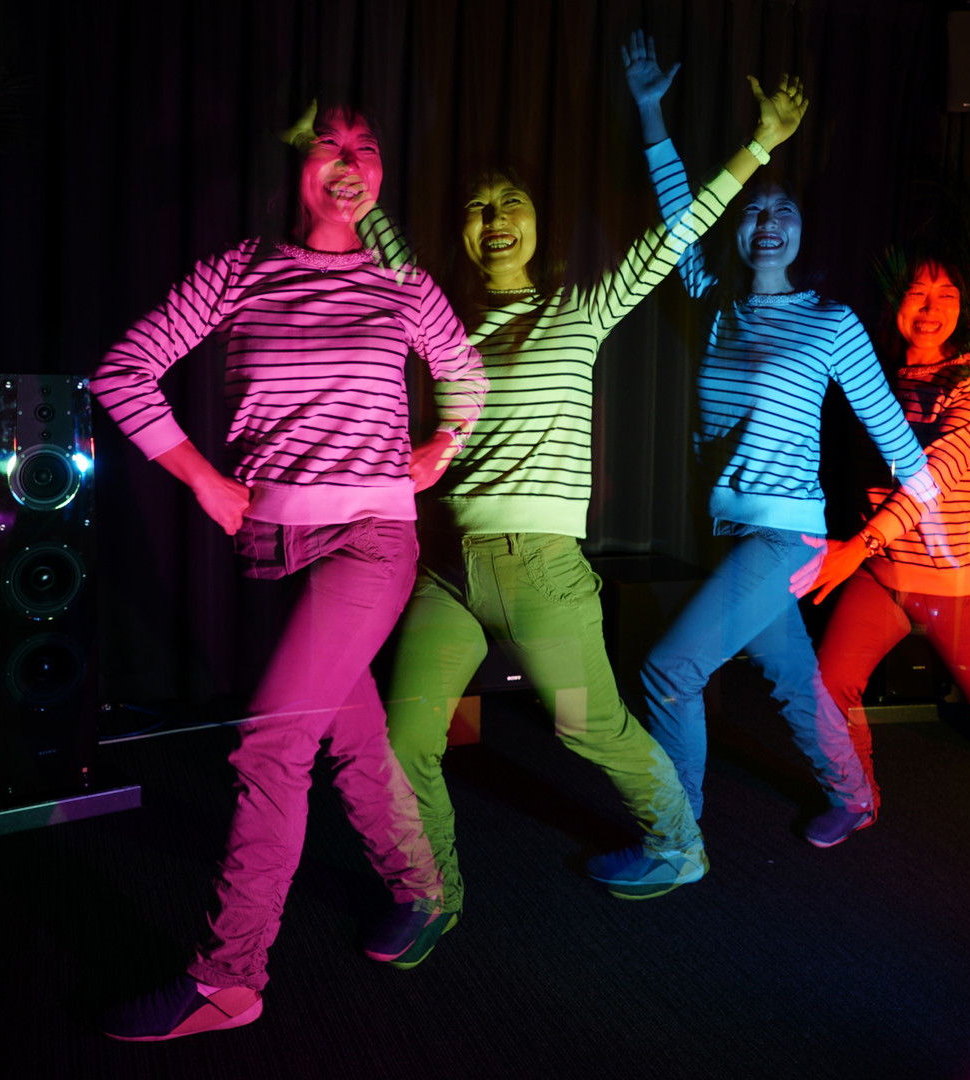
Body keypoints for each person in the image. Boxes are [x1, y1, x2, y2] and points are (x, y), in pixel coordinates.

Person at [347, 36, 808, 910]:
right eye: (477, 205)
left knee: (588, 730)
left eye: (510, 201)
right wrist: (340, 166)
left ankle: (677, 847)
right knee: (403, 739)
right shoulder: (442, 323)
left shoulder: (578, 309)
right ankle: (429, 892)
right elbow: (387, 248)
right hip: (447, 570)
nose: (493, 217)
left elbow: (675, 235)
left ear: (536, 222)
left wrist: (758, 144)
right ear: (462, 228)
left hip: (542, 574)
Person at [90, 100, 487, 1040]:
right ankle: (421, 889)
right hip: (271, 549)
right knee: (351, 734)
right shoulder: (239, 269)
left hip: (369, 542)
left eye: (367, 149)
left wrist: (438, 448)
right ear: (294, 167)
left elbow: (466, 376)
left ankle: (228, 979)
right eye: (329, 146)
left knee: (271, 744)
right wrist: (204, 481)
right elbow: (121, 372)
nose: (350, 162)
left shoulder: (401, 283)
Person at [627, 32, 938, 849]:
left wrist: (914, 524)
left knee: (670, 671)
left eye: (784, 210)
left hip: (786, 537)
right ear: (736, 229)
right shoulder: (715, 306)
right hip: (734, 530)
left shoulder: (830, 323)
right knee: (795, 679)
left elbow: (890, 432)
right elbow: (678, 218)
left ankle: (674, 835)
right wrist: (651, 111)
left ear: (804, 231)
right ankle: (856, 797)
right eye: (753, 210)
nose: (767, 221)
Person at [810, 247, 970, 808]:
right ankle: (855, 798)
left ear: (963, 307)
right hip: (880, 573)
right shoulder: (876, 376)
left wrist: (859, 545)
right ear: (894, 301)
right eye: (917, 293)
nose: (930, 308)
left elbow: (933, 478)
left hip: (953, 583)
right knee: (826, 686)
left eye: (947, 295)